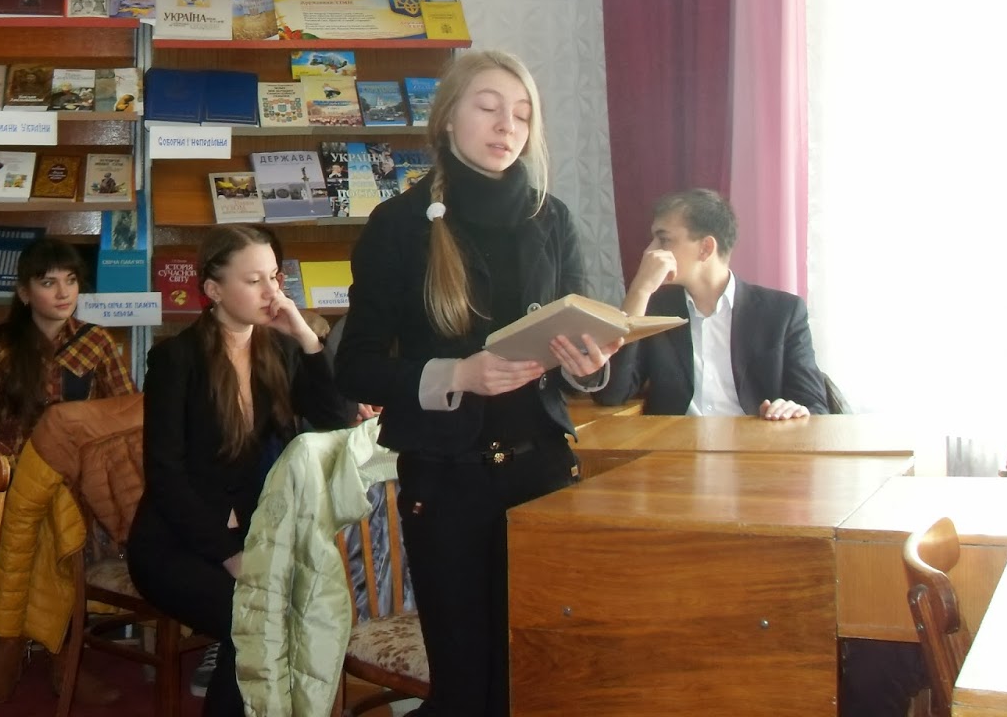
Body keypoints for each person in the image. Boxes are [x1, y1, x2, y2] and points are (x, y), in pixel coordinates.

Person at [335, 49, 619, 717]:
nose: (507, 126)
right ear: (446, 120)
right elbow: (355, 366)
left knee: (540, 678)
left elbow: (590, 351)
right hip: (447, 482)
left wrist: (590, 365)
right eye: (489, 108)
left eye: (522, 114)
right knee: (467, 686)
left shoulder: (552, 218)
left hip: (543, 474)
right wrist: (457, 375)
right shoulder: (398, 226)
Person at [127, 224, 352, 717]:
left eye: (275, 277)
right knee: (252, 622)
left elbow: (335, 417)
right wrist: (229, 555)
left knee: (289, 615)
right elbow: (165, 474)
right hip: (177, 543)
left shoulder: (281, 349)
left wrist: (306, 336)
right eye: (254, 281)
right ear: (213, 290)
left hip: (254, 536)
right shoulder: (175, 359)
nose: (272, 292)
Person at [594, 188, 829, 419]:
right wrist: (639, 290)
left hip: (755, 439)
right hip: (675, 441)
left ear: (706, 248)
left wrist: (793, 410)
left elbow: (815, 405)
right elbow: (612, 393)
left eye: (664, 240)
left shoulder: (782, 312)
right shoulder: (653, 308)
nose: (650, 251)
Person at [0, 236, 135, 458]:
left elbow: (131, 414)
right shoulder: (0, 342)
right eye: (48, 283)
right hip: (15, 469)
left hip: (77, 470)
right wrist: (14, 464)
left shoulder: (96, 340)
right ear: (24, 293)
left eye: (71, 280)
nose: (63, 293)